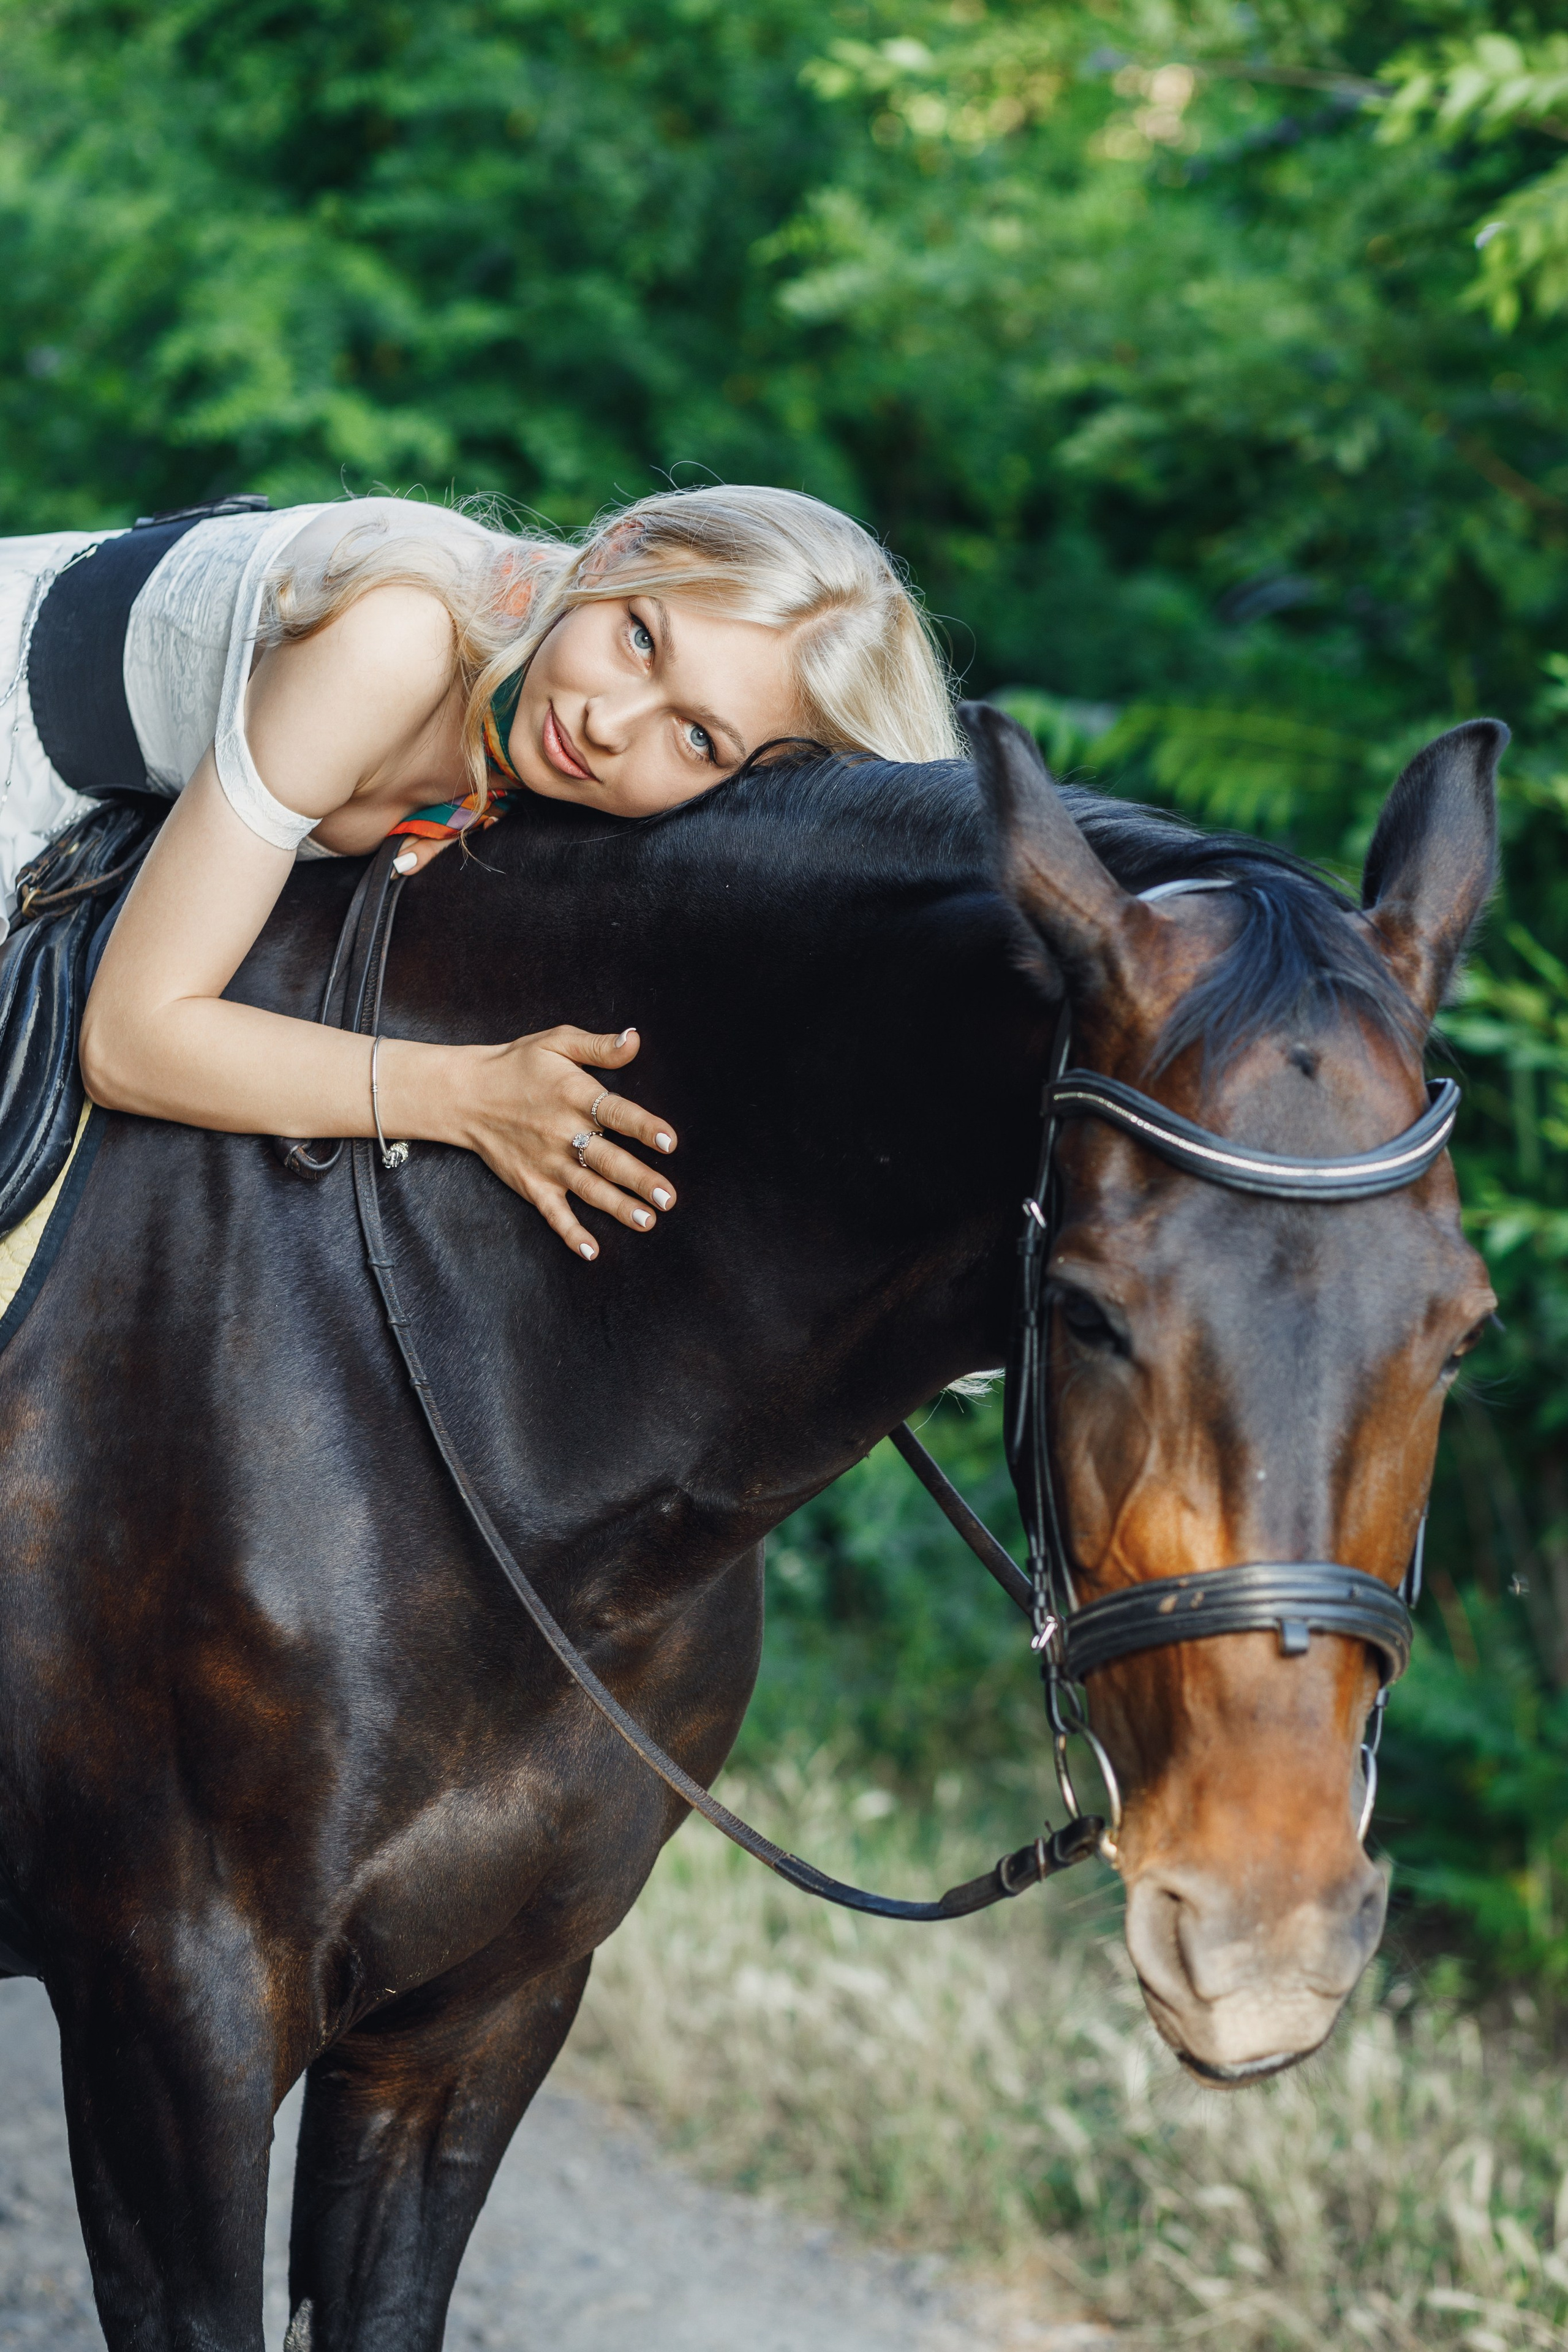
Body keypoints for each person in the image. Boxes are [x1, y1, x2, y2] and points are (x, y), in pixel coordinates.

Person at [0, 486, 960, 1258]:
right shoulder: (395, 640)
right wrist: (469, 1096)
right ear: (613, 551)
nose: (608, 724)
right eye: (641, 637)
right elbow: (130, 1041)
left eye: (700, 737)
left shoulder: (573, 751)